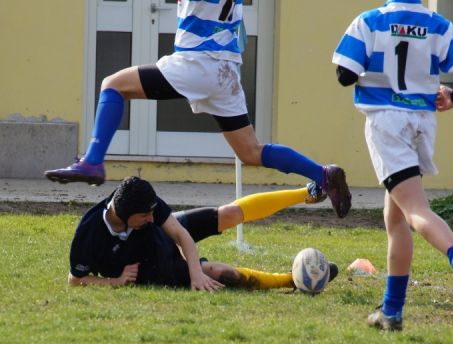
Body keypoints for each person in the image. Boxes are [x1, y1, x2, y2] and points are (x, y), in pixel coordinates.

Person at [45, 0, 351, 219]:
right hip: (226, 71)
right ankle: (322, 174)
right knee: (250, 151)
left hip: (197, 64)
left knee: (113, 85)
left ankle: (93, 162)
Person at [332, 0, 453, 331]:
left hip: (388, 125)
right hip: (420, 124)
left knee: (415, 211)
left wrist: (373, 67)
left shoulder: (370, 21)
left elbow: (344, 75)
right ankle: (392, 311)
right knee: (395, 217)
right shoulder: (438, 24)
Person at [68, 176, 338, 291]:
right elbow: (75, 280)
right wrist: (114, 282)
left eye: (153, 213)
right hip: (156, 266)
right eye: (145, 216)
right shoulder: (89, 233)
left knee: (228, 214)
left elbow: (181, 235)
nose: (152, 219)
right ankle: (295, 280)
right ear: (124, 214)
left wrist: (194, 270)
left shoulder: (144, 202)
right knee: (220, 274)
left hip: (166, 239)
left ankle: (308, 192)